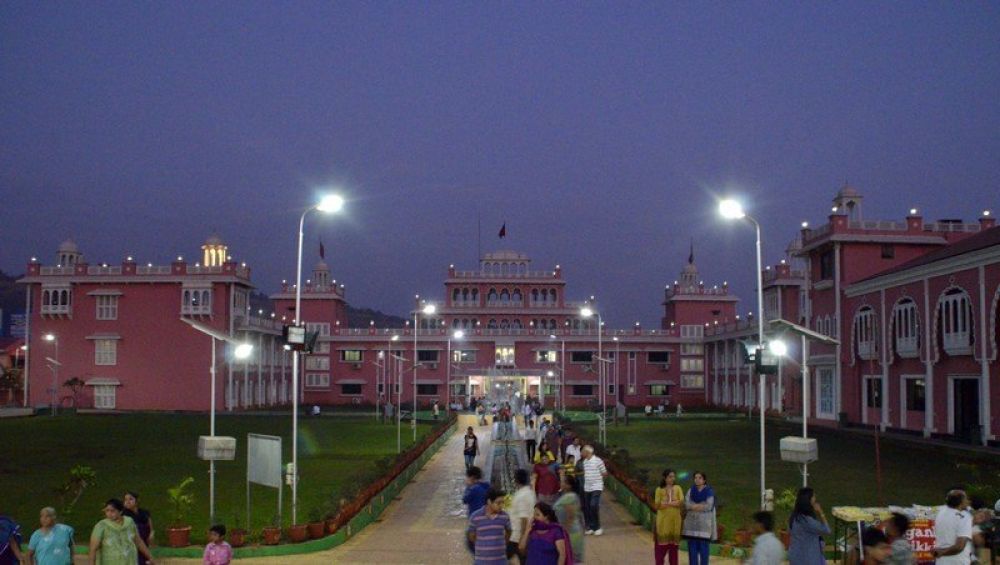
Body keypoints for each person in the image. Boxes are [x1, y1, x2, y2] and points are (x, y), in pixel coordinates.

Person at [89, 498, 155, 565]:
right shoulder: (101, 526)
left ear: (120, 511)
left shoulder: (129, 523)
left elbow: (139, 542)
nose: (109, 514)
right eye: (107, 511)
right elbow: (93, 549)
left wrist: (150, 557)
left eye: (112, 511)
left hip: (129, 561)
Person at [467, 488, 512, 565]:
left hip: (500, 561)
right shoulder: (475, 517)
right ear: (489, 502)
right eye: (498, 503)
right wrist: (483, 544)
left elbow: (509, 531)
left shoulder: (504, 516)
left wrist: (501, 543)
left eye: (502, 503)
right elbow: (471, 536)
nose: (501, 506)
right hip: (481, 561)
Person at [786, 487, 830, 565]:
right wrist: (821, 512)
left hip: (795, 556)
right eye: (813, 496)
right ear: (808, 500)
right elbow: (827, 530)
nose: (815, 499)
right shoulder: (808, 521)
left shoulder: (794, 517)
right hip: (807, 559)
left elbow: (789, 531)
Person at [682, 471, 717, 565]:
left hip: (703, 526)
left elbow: (709, 506)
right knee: (692, 549)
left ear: (704, 480)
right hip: (692, 526)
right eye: (695, 478)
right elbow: (687, 504)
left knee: (704, 550)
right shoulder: (691, 490)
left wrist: (694, 506)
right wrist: (700, 505)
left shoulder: (709, 491)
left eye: (700, 478)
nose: (697, 480)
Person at [933, 488, 972, 564]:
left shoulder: (940, 513)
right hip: (957, 561)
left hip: (941, 561)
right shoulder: (964, 517)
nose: (968, 502)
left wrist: (939, 553)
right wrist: (942, 552)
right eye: (966, 499)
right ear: (961, 502)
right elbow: (959, 546)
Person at [654, 469, 684, 565]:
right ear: (665, 478)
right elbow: (658, 505)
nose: (672, 479)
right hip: (663, 523)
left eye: (673, 477)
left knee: (674, 551)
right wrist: (673, 503)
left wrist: (666, 503)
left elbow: (681, 502)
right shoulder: (659, 490)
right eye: (670, 477)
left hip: (675, 523)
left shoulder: (678, 488)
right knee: (660, 551)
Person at [553, 474, 584, 563]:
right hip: (571, 531)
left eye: (563, 482)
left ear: (568, 485)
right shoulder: (568, 496)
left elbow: (571, 516)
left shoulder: (569, 497)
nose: (561, 483)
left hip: (571, 533)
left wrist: (564, 533)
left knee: (571, 559)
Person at [511, 468, 537, 563]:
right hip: (522, 534)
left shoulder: (521, 495)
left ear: (516, 480)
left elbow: (524, 519)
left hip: (517, 536)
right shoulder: (529, 493)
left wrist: (523, 539)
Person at [580, 445, 608, 536]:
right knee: (587, 507)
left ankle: (597, 527)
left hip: (597, 487)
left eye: (583, 451)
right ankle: (591, 527)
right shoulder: (584, 462)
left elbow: (604, 473)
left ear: (588, 452)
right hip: (587, 487)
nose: (581, 453)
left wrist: (600, 482)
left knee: (593, 505)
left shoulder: (598, 461)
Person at [123, 491, 153, 564]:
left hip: (144, 540)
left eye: (130, 499)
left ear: (136, 501)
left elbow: (150, 525)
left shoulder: (144, 512)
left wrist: (151, 534)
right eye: (125, 500)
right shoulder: (124, 514)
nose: (127, 502)